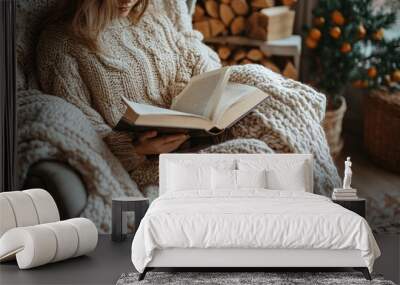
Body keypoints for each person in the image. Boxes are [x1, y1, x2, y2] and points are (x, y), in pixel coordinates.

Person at [37, 0, 340, 195]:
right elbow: (81, 124)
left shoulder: (151, 16)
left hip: (200, 131)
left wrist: (208, 95)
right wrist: (136, 147)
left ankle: (331, 204)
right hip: (151, 159)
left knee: (266, 94)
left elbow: (191, 57)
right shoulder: (60, 44)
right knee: (255, 152)